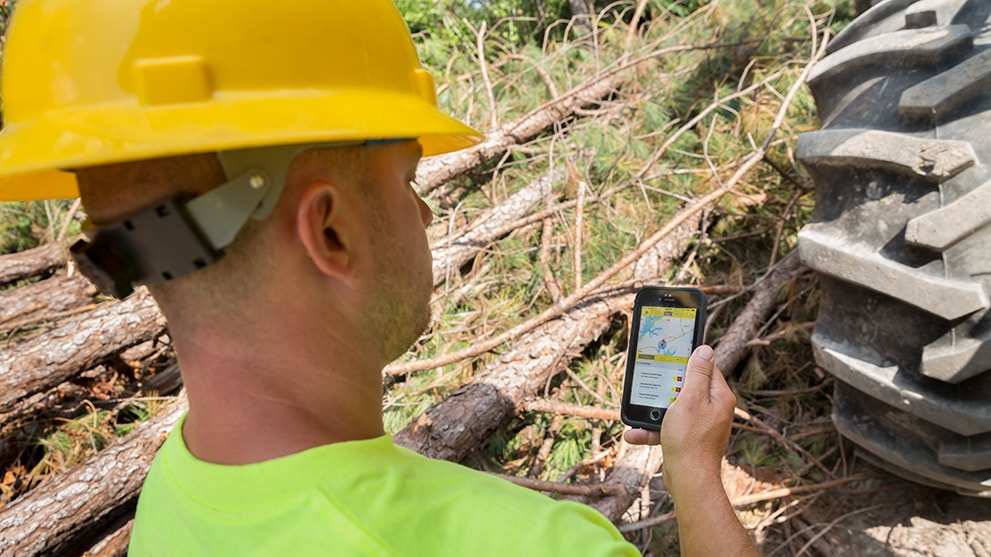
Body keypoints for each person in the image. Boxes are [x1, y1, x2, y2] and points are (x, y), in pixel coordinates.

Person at [0, 0, 761, 555]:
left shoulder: (179, 490)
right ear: (330, 230)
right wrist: (692, 473)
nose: (424, 214)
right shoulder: (524, 544)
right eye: (406, 179)